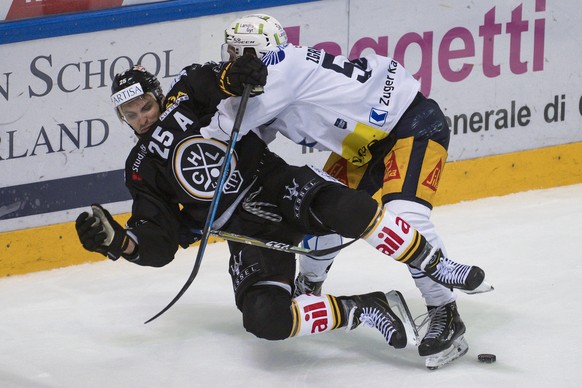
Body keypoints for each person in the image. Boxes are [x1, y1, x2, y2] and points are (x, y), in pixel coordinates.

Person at [75, 60, 485, 361]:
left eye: (145, 106)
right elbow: (158, 241)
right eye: (130, 115)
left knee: (349, 207)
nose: (141, 118)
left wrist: (233, 76)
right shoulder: (139, 169)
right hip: (243, 230)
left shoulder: (185, 95)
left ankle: (434, 267)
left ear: (157, 95)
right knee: (264, 320)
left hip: (273, 184)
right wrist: (120, 243)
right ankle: (365, 307)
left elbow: (213, 81)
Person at [202, 13, 493, 366]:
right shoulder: (281, 69)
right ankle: (308, 287)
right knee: (321, 214)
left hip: (412, 127)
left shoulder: (277, 72)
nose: (229, 60)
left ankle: (444, 311)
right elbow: (254, 134)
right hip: (360, 145)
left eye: (236, 52)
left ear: (255, 52)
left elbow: (224, 127)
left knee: (406, 218)